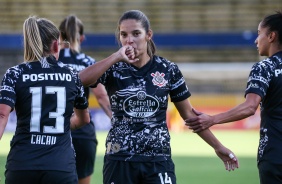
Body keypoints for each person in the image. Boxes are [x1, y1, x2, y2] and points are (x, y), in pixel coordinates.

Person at [78, 10, 239, 184]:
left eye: (136, 33)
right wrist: (116, 56)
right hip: (119, 159)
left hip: (158, 160)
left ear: (148, 35)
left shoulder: (168, 69)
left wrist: (218, 146)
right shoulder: (112, 68)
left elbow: (190, 116)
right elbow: (80, 80)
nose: (129, 40)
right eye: (124, 35)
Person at [185, 11, 282, 184]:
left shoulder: (265, 67)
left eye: (259, 33)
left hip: (275, 154)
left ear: (272, 36)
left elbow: (250, 106)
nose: (255, 40)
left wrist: (212, 119)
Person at [0, 16, 90, 184]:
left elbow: (2, 115)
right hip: (60, 166)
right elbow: (84, 119)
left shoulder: (14, 73)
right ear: (56, 44)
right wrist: (57, 124)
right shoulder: (72, 75)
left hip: (22, 164)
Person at [58, 15, 111, 184]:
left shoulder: (49, 62)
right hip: (83, 132)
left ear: (58, 36)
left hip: (55, 131)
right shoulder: (89, 63)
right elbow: (102, 97)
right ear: (82, 38)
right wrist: (117, 120)